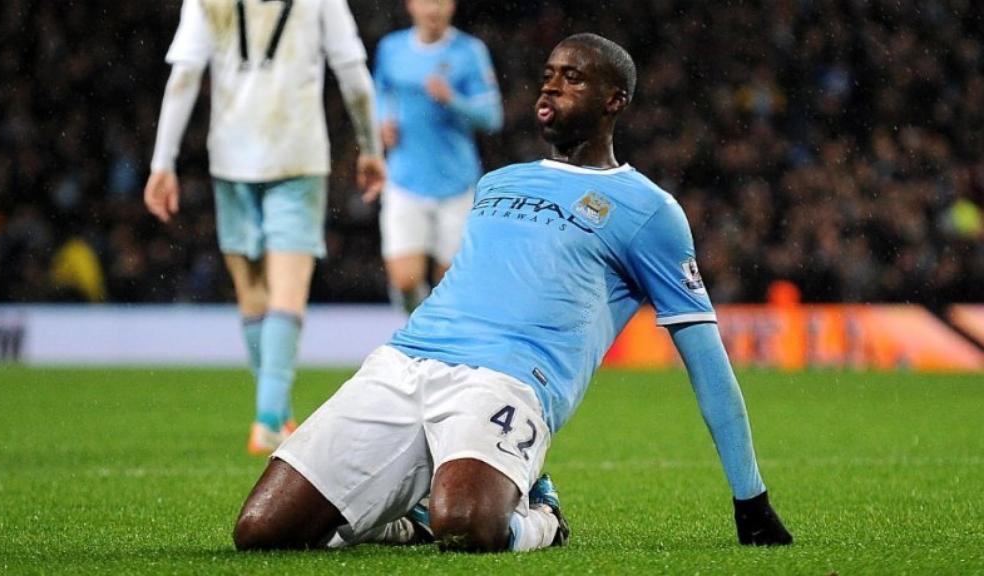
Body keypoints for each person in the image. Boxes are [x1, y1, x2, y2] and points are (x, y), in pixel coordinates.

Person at [232, 33, 793, 553]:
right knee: (261, 532)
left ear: (614, 100)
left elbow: (706, 361)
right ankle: (408, 517)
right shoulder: (498, 182)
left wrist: (752, 501)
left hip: (509, 380)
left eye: (573, 77)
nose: (551, 85)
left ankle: (541, 512)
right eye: (549, 74)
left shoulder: (648, 211)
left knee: (470, 526)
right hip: (404, 363)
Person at [143, 0, 386, 455]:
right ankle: (271, 417)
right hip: (297, 155)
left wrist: (163, 161)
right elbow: (353, 77)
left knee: (252, 292)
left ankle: (273, 412)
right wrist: (370, 148)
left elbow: (185, 77)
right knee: (286, 291)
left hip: (231, 156)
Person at [373, 0, 503, 312]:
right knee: (404, 279)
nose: (434, 10)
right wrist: (382, 122)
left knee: (450, 284)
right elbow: (380, 92)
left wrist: (453, 100)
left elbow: (492, 117)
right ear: (411, 5)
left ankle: (436, 345)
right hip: (404, 178)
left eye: (441, 2)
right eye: (427, 2)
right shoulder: (391, 49)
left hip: (455, 184)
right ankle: (416, 332)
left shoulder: (470, 51)